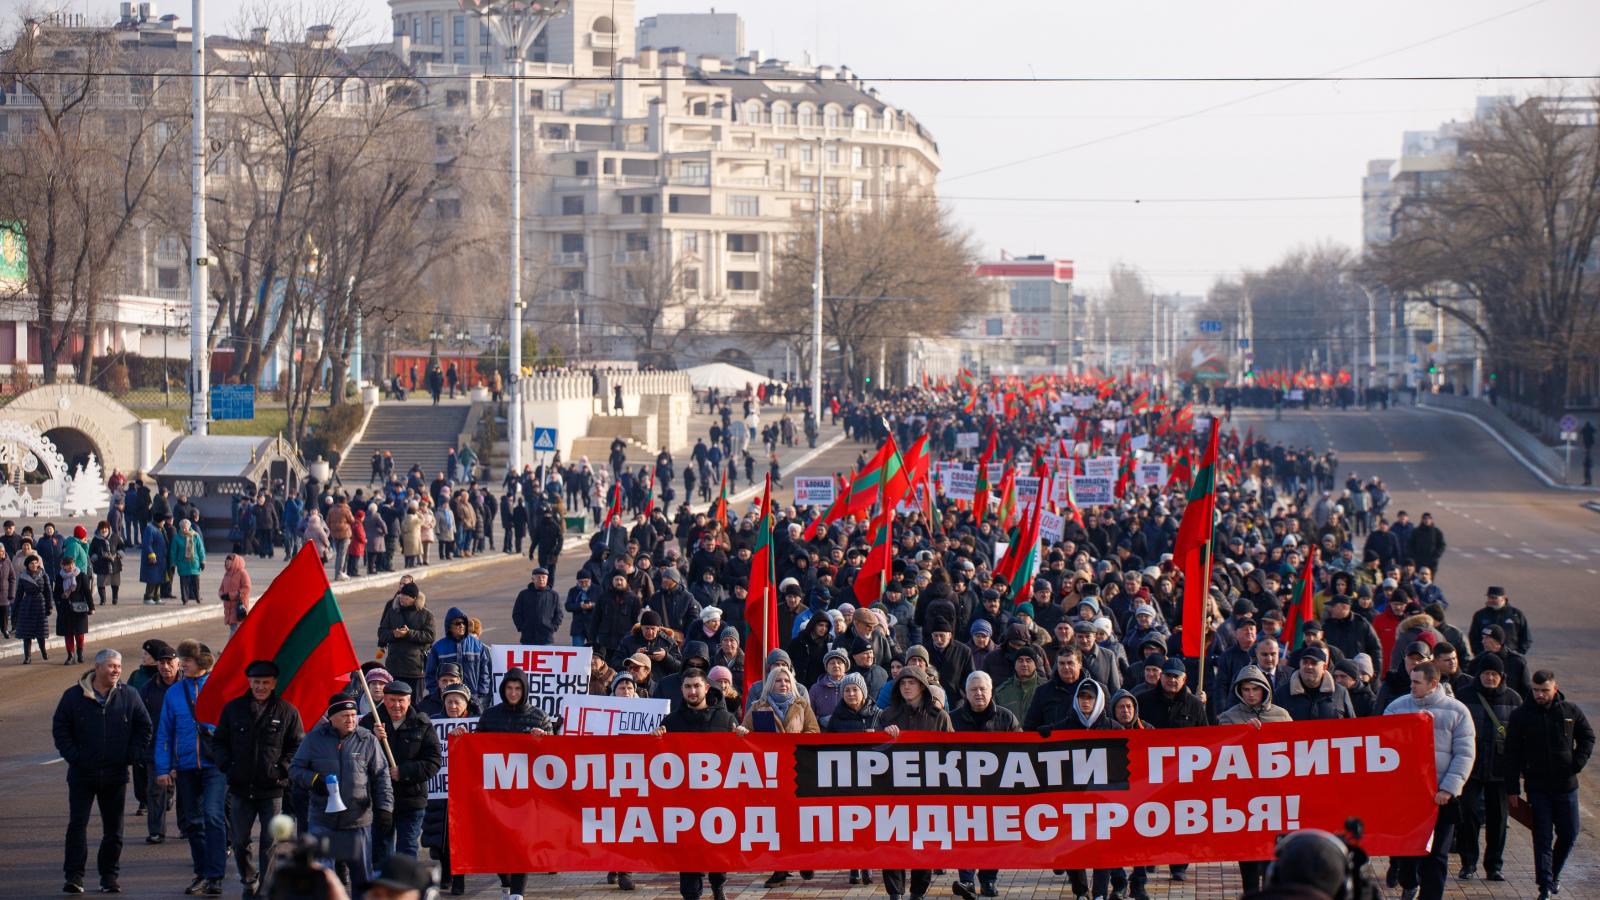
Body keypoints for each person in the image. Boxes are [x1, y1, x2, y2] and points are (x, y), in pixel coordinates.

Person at [52, 648, 152, 895]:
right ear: (97, 668)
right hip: (82, 774)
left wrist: (131, 755)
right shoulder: (74, 697)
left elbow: (145, 727)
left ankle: (109, 876)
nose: (116, 670)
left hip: (115, 774)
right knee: (77, 825)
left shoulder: (130, 695)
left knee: (114, 830)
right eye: (111, 666)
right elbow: (60, 729)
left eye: (118, 666)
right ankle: (74, 877)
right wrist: (75, 757)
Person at [213, 660, 305, 898]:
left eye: (265, 683)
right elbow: (219, 742)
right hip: (240, 788)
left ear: (274, 683)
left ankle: (265, 890)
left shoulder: (287, 711)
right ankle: (248, 878)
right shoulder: (233, 709)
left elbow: (297, 746)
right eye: (256, 682)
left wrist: (281, 769)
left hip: (272, 790)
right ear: (249, 683)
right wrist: (228, 767)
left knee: (270, 844)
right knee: (240, 841)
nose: (261, 687)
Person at [1384, 662, 1475, 900]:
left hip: (1441, 798)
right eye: (1411, 680)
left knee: (1437, 855)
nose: (1411, 686)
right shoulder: (1397, 708)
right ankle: (1409, 882)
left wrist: (1448, 789)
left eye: (1416, 682)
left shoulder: (1458, 712)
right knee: (1407, 851)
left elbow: (1464, 754)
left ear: (1433, 684)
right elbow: (1383, 750)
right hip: (1408, 798)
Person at [291, 695, 394, 896]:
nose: (351, 720)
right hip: (323, 821)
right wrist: (313, 780)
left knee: (363, 880)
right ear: (332, 718)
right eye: (345, 715)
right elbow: (295, 769)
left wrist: (385, 808)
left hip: (357, 821)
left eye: (354, 715)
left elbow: (382, 776)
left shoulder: (367, 739)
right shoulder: (314, 739)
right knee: (323, 880)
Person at [1505, 670, 1594, 900]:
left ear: (1555, 688)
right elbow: (1512, 754)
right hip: (1538, 787)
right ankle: (1544, 886)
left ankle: (1552, 875)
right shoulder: (1521, 715)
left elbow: (1587, 737)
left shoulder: (1569, 711)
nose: (1540, 695)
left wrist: (1577, 763)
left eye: (1544, 690)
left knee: (1569, 833)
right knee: (1542, 837)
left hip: (1566, 786)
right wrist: (1512, 789)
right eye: (1536, 690)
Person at [662, 668, 746, 900]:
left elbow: (740, 758)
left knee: (716, 849)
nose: (692, 691)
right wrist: (656, 740)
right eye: (688, 686)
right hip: (684, 802)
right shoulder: (671, 722)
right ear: (682, 689)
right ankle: (692, 895)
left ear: (706, 688)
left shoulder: (725, 719)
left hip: (716, 801)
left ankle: (719, 886)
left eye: (696, 686)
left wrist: (742, 737)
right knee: (688, 853)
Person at [154, 640, 228, 895]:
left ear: (202, 662)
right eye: (182, 659)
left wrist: (213, 730)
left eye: (187, 660)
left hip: (215, 766)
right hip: (186, 766)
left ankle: (216, 875)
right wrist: (163, 769)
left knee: (213, 815)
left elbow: (233, 726)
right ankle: (202, 873)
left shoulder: (219, 688)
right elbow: (164, 732)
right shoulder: (174, 693)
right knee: (193, 823)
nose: (182, 664)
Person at [877, 665, 952, 899]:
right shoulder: (887, 715)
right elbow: (874, 753)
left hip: (927, 791)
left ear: (922, 686)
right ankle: (895, 892)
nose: (906, 686)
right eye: (902, 683)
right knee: (892, 843)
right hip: (893, 791)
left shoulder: (938, 715)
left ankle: (918, 892)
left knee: (923, 843)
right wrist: (884, 737)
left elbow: (951, 750)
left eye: (911, 682)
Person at [1216, 665, 1293, 894]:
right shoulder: (1229, 717)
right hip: (1245, 799)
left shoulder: (1282, 715)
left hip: (1275, 796)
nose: (1251, 694)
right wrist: (1242, 733)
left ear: (1264, 690)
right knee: (1248, 854)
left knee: (1273, 854)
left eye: (1255, 689)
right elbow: (1222, 752)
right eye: (1246, 689)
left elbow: (1295, 751)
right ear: (1239, 691)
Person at [476, 669, 550, 900]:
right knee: (498, 843)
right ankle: (506, 882)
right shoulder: (490, 716)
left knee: (521, 843)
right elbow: (475, 747)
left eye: (518, 688)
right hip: (497, 792)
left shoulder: (538, 716)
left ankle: (518, 892)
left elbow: (553, 754)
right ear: (503, 689)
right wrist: (461, 736)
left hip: (526, 794)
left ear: (525, 690)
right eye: (509, 688)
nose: (513, 693)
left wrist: (544, 738)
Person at [949, 671, 1017, 900]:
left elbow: (1022, 752)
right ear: (966, 693)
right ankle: (966, 880)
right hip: (963, 790)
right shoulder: (953, 719)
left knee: (992, 836)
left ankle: (988, 880)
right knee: (965, 835)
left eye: (982, 689)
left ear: (991, 691)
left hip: (996, 791)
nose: (978, 693)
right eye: (973, 690)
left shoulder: (1006, 718)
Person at [363, 681, 442, 868]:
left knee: (407, 849)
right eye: (391, 700)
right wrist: (372, 738)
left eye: (401, 701)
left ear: (409, 701)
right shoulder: (369, 722)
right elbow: (358, 759)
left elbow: (433, 762)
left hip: (411, 799)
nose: (396, 705)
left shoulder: (422, 724)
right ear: (384, 699)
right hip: (380, 799)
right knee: (380, 850)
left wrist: (404, 772)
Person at [1456, 653, 1519, 882]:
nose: (1490, 678)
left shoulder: (1513, 700)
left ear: (1501, 676)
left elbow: (1520, 737)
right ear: (1479, 675)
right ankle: (1468, 863)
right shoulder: (1464, 697)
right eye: (1486, 674)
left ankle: (1494, 866)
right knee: (1468, 816)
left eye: (1494, 674)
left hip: (1500, 771)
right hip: (1469, 768)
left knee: (1498, 820)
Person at [376, 582, 436, 700]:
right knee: (394, 699)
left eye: (406, 597)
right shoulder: (393, 612)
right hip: (394, 666)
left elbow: (430, 636)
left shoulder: (425, 614)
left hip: (415, 669)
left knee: (414, 702)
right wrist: (394, 634)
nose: (403, 599)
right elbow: (381, 632)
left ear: (414, 598)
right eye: (401, 596)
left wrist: (409, 633)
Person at [425, 607, 493, 710]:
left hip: (474, 699)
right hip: (448, 701)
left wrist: (481, 695)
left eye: (464, 623)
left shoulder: (478, 646)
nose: (461, 625)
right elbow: (430, 674)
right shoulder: (438, 648)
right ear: (449, 626)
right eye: (457, 623)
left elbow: (485, 673)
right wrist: (437, 696)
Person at [54, 553, 93, 665]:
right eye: (67, 565)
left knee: (79, 634)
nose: (70, 567)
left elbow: (87, 592)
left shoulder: (81, 576)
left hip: (79, 609)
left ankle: (80, 652)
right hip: (65, 609)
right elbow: (56, 593)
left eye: (71, 564)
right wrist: (59, 603)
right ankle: (70, 655)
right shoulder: (60, 577)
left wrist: (91, 607)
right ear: (63, 566)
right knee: (68, 634)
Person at [15, 551, 52, 662]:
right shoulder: (23, 577)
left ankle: (43, 651)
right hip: (27, 606)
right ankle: (28, 657)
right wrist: (15, 609)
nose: (34, 565)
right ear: (27, 565)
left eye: (36, 563)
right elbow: (19, 594)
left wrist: (49, 606)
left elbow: (48, 591)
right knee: (27, 634)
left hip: (40, 604)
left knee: (40, 633)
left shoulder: (43, 574)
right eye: (31, 563)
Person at [511, 567, 563, 645]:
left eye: (544, 577)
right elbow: (516, 613)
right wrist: (522, 627)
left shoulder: (553, 595)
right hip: (527, 637)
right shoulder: (524, 594)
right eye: (538, 577)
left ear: (547, 579)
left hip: (546, 638)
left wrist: (553, 627)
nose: (541, 579)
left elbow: (559, 614)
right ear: (533, 579)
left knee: (547, 657)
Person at [169, 518, 206, 605]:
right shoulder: (177, 538)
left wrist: (202, 561)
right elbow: (173, 552)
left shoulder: (195, 536)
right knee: (184, 583)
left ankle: (197, 597)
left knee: (196, 583)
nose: (184, 529)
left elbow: (201, 549)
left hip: (194, 563)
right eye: (183, 527)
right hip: (182, 563)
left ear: (189, 527)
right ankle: (184, 599)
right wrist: (173, 564)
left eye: (186, 527)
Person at [219, 553, 253, 638]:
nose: (227, 563)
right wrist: (222, 595)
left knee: (234, 630)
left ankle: (230, 649)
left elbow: (247, 588)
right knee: (235, 629)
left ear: (235, 562)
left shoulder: (242, 573)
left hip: (238, 607)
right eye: (226, 561)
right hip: (228, 608)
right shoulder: (226, 574)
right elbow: (221, 588)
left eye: (229, 561)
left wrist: (231, 595)